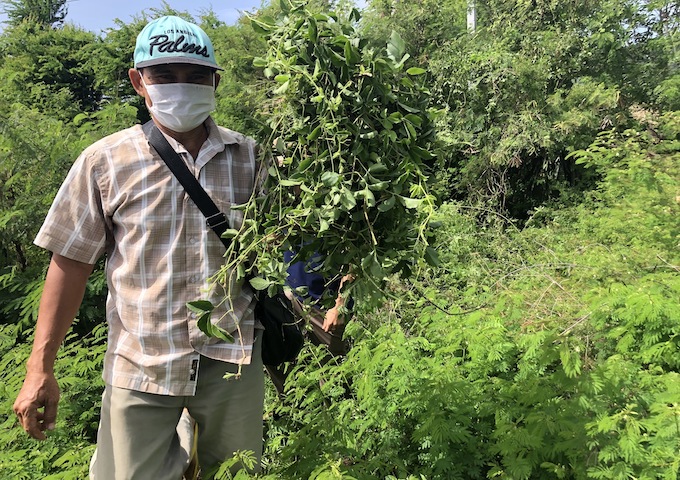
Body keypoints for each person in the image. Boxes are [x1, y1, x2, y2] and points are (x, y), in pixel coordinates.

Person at [12, 15, 264, 480]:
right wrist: (39, 368)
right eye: (165, 75)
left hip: (232, 361)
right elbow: (69, 262)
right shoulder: (105, 160)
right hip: (142, 363)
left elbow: (284, 249)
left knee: (238, 474)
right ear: (137, 81)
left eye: (195, 76)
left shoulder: (252, 158)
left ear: (216, 82)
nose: (181, 87)